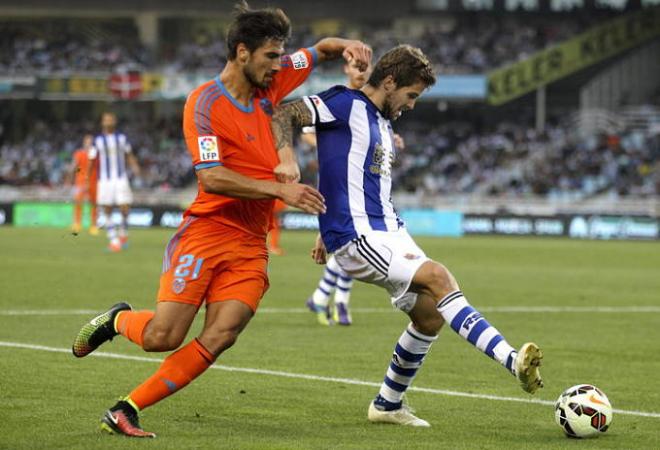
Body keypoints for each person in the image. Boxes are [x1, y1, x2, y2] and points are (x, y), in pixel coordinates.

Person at [72, 2, 371, 438]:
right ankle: (118, 320)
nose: (279, 66)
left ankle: (126, 408)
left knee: (223, 333)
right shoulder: (204, 103)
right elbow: (211, 178)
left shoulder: (274, 79)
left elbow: (323, 49)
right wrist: (279, 188)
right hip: (207, 233)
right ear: (242, 53)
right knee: (163, 336)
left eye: (281, 56)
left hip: (250, 244)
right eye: (271, 57)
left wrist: (350, 46)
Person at [270, 44, 543, 427]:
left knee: (430, 317)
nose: (412, 105)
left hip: (389, 231)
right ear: (390, 81)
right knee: (438, 276)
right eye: (411, 95)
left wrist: (323, 225)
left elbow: (349, 175)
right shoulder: (344, 103)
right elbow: (283, 112)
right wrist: (286, 158)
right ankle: (512, 361)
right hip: (359, 234)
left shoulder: (382, 122)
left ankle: (387, 404)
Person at [305, 60, 405, 327]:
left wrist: (388, 142)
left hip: (362, 185)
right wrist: (339, 144)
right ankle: (335, 301)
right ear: (346, 71)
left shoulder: (375, 110)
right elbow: (306, 132)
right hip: (338, 175)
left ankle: (327, 297)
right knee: (352, 241)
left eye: (367, 69)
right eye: (357, 68)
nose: (363, 73)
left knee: (353, 241)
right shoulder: (336, 101)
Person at [89, 112, 141, 252]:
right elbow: (92, 160)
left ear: (115, 121)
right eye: (106, 119)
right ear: (102, 122)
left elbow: (129, 155)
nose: (108, 122)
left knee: (125, 207)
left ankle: (123, 233)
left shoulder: (122, 138)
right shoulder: (97, 140)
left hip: (120, 178)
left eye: (111, 119)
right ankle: (114, 240)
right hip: (104, 180)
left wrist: (135, 167)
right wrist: (88, 178)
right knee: (106, 209)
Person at [69, 134, 99, 235]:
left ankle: (94, 225)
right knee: (78, 202)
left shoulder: (95, 153)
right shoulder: (79, 153)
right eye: (87, 142)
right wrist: (73, 175)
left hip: (93, 181)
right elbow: (74, 166)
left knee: (94, 204)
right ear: (84, 142)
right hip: (80, 181)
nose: (88, 143)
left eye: (90, 142)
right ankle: (77, 224)